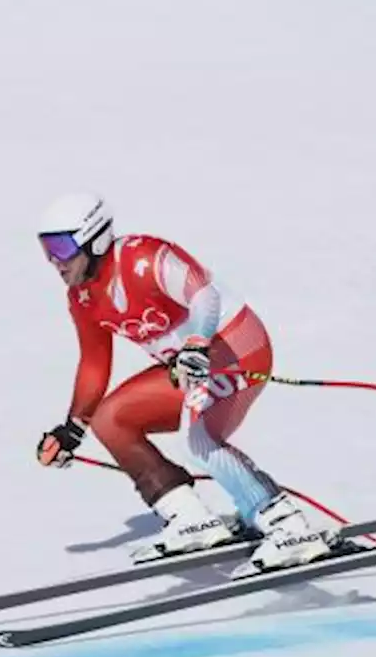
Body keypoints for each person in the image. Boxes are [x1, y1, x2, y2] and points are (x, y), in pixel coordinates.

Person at [34, 192, 347, 576]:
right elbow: (95, 362)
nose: (53, 260)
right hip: (188, 366)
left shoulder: (145, 257)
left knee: (196, 438)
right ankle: (189, 517)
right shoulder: (82, 297)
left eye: (61, 247)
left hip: (236, 348)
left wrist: (198, 342)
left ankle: (288, 527)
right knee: (109, 419)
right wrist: (73, 427)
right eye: (46, 248)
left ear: (94, 238)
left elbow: (204, 294)